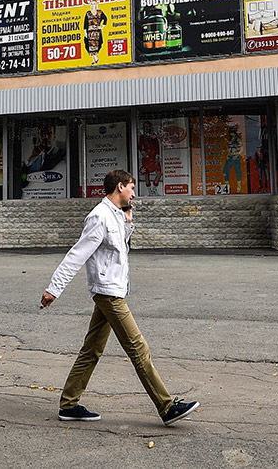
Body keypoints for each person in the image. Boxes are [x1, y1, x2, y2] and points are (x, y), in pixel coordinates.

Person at [40, 169, 199, 426]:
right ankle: (167, 407)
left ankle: (69, 405)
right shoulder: (99, 217)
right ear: (120, 187)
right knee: (138, 348)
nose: (134, 193)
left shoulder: (116, 215)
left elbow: (116, 250)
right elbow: (77, 254)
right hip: (108, 293)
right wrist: (53, 288)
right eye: (132, 188)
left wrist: (128, 224)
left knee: (91, 350)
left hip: (113, 289)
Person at [137, 120, 162, 190]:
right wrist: (142, 152)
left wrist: (157, 156)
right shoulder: (142, 137)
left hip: (153, 157)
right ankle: (149, 190)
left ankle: (154, 188)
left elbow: (157, 147)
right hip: (146, 158)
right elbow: (139, 146)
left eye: (148, 127)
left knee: (159, 173)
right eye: (145, 127)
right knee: (146, 173)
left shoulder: (154, 136)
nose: (147, 128)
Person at [82, 0, 108, 64]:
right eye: (91, 4)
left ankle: (94, 59)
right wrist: (85, 32)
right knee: (90, 45)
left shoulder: (100, 12)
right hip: (90, 32)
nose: (93, 5)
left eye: (94, 4)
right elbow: (85, 23)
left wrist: (102, 26)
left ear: (96, 5)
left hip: (97, 32)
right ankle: (95, 58)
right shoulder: (88, 13)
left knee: (97, 44)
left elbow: (105, 19)